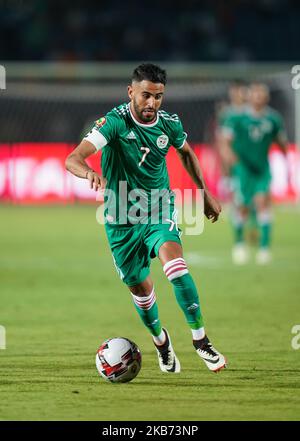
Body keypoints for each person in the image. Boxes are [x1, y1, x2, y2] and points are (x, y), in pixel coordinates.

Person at [65, 63, 226, 373]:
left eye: (158, 96)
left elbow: (187, 153)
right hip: (120, 220)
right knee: (141, 292)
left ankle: (200, 340)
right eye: (146, 96)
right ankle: (161, 342)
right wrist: (89, 173)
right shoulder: (113, 123)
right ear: (131, 92)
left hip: (157, 209)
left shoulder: (169, 124)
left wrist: (204, 192)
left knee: (176, 268)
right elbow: (73, 158)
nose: (152, 103)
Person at [219, 82, 288, 264]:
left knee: (263, 203)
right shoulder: (236, 118)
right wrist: (229, 158)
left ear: (267, 97)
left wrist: (286, 156)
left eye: (261, 94)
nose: (258, 97)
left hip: (262, 168)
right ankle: (239, 244)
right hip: (243, 169)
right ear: (249, 96)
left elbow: (281, 141)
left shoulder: (273, 119)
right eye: (255, 93)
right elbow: (225, 142)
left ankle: (264, 249)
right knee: (243, 207)